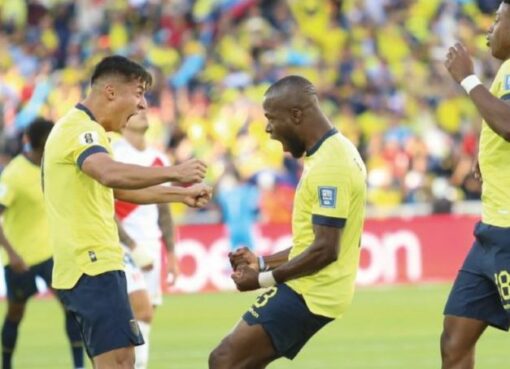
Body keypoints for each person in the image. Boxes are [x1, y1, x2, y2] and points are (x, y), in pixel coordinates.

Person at [42, 55, 212, 369]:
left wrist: (180, 194)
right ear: (110, 92)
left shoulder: (90, 133)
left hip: (97, 263)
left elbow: (119, 190)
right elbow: (109, 174)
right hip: (91, 264)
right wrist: (175, 172)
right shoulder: (81, 129)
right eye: (138, 93)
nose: (143, 105)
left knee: (123, 360)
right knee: (118, 363)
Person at [208, 75, 367, 369]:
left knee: (224, 360)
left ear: (295, 115)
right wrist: (262, 262)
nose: (267, 129)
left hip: (313, 291)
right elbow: (313, 243)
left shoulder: (331, 165)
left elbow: (325, 250)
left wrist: (261, 280)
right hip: (314, 287)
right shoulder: (331, 151)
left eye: (271, 118)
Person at [442, 1, 510, 368]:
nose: (490, 29)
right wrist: (486, 153)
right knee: (454, 342)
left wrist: (468, 79)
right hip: (491, 232)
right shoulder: (507, 70)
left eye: (498, 19)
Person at [0, 118, 84, 369]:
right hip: (21, 259)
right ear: (43, 142)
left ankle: (79, 365)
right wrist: (12, 254)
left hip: (52, 255)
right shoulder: (14, 174)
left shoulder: (55, 167)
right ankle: (6, 364)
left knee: (71, 308)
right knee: (16, 314)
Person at [113, 112, 178, 369]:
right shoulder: (114, 156)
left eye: (145, 107)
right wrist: (132, 245)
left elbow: (164, 210)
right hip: (121, 246)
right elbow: (106, 208)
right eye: (135, 109)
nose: (142, 111)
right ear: (123, 119)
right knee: (142, 312)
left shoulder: (159, 159)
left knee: (143, 323)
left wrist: (171, 254)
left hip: (151, 245)